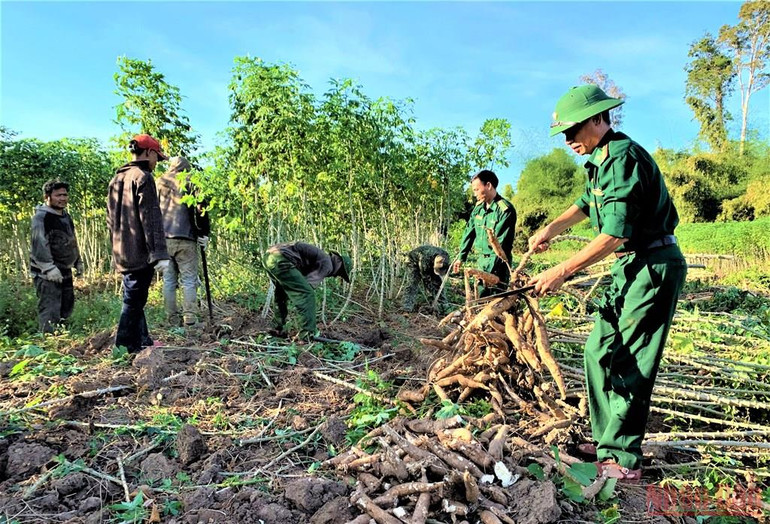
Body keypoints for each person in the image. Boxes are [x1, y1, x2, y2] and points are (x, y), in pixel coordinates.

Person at [528, 85, 687, 480]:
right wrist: (551, 228)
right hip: (629, 267)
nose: (568, 141)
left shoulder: (623, 158)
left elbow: (613, 235)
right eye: (563, 134)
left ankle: (622, 457)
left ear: (599, 119)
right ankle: (605, 442)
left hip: (652, 265)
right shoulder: (599, 162)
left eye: (573, 131)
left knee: (632, 359)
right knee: (598, 351)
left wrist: (560, 271)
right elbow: (587, 203)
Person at [107, 134, 170, 353]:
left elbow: (110, 219)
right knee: (133, 300)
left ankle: (143, 340)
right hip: (139, 251)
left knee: (135, 297)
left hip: (121, 249)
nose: (156, 163)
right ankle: (123, 346)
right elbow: (151, 218)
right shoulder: (143, 177)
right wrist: (159, 253)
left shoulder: (116, 179)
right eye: (157, 157)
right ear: (149, 152)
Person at [157, 156, 211, 327]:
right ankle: (190, 320)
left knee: (169, 280)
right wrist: (204, 232)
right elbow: (201, 209)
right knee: (188, 280)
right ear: (186, 168)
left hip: (164, 239)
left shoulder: (158, 183)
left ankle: (172, 320)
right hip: (186, 237)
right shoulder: (191, 182)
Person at [262, 242, 352, 339]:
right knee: (307, 294)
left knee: (281, 293)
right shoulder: (327, 264)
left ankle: (277, 328)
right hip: (281, 259)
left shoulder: (321, 258)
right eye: (340, 273)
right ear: (339, 264)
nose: (335, 276)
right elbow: (306, 289)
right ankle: (307, 333)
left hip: (269, 257)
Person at [29, 179, 84, 333]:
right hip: (47, 273)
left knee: (66, 307)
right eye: (58, 195)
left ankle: (62, 338)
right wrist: (49, 268)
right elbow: (39, 244)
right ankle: (48, 341)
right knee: (50, 308)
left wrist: (77, 261)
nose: (63, 198)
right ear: (47, 196)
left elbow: (71, 240)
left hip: (64, 270)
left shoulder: (66, 217)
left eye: (65, 195)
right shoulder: (41, 218)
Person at [451, 170, 516, 296]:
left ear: (489, 185)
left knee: (496, 301)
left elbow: (499, 247)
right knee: (480, 298)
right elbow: (469, 233)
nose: (474, 194)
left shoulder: (505, 210)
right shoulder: (478, 209)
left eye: (476, 189)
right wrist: (461, 258)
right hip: (481, 261)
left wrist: (488, 273)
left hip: (498, 264)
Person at [402, 245, 449, 313]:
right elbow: (426, 279)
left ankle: (444, 305)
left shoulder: (446, 256)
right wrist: (431, 294)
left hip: (429, 264)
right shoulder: (425, 259)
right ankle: (407, 307)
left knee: (438, 282)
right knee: (413, 283)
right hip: (413, 262)